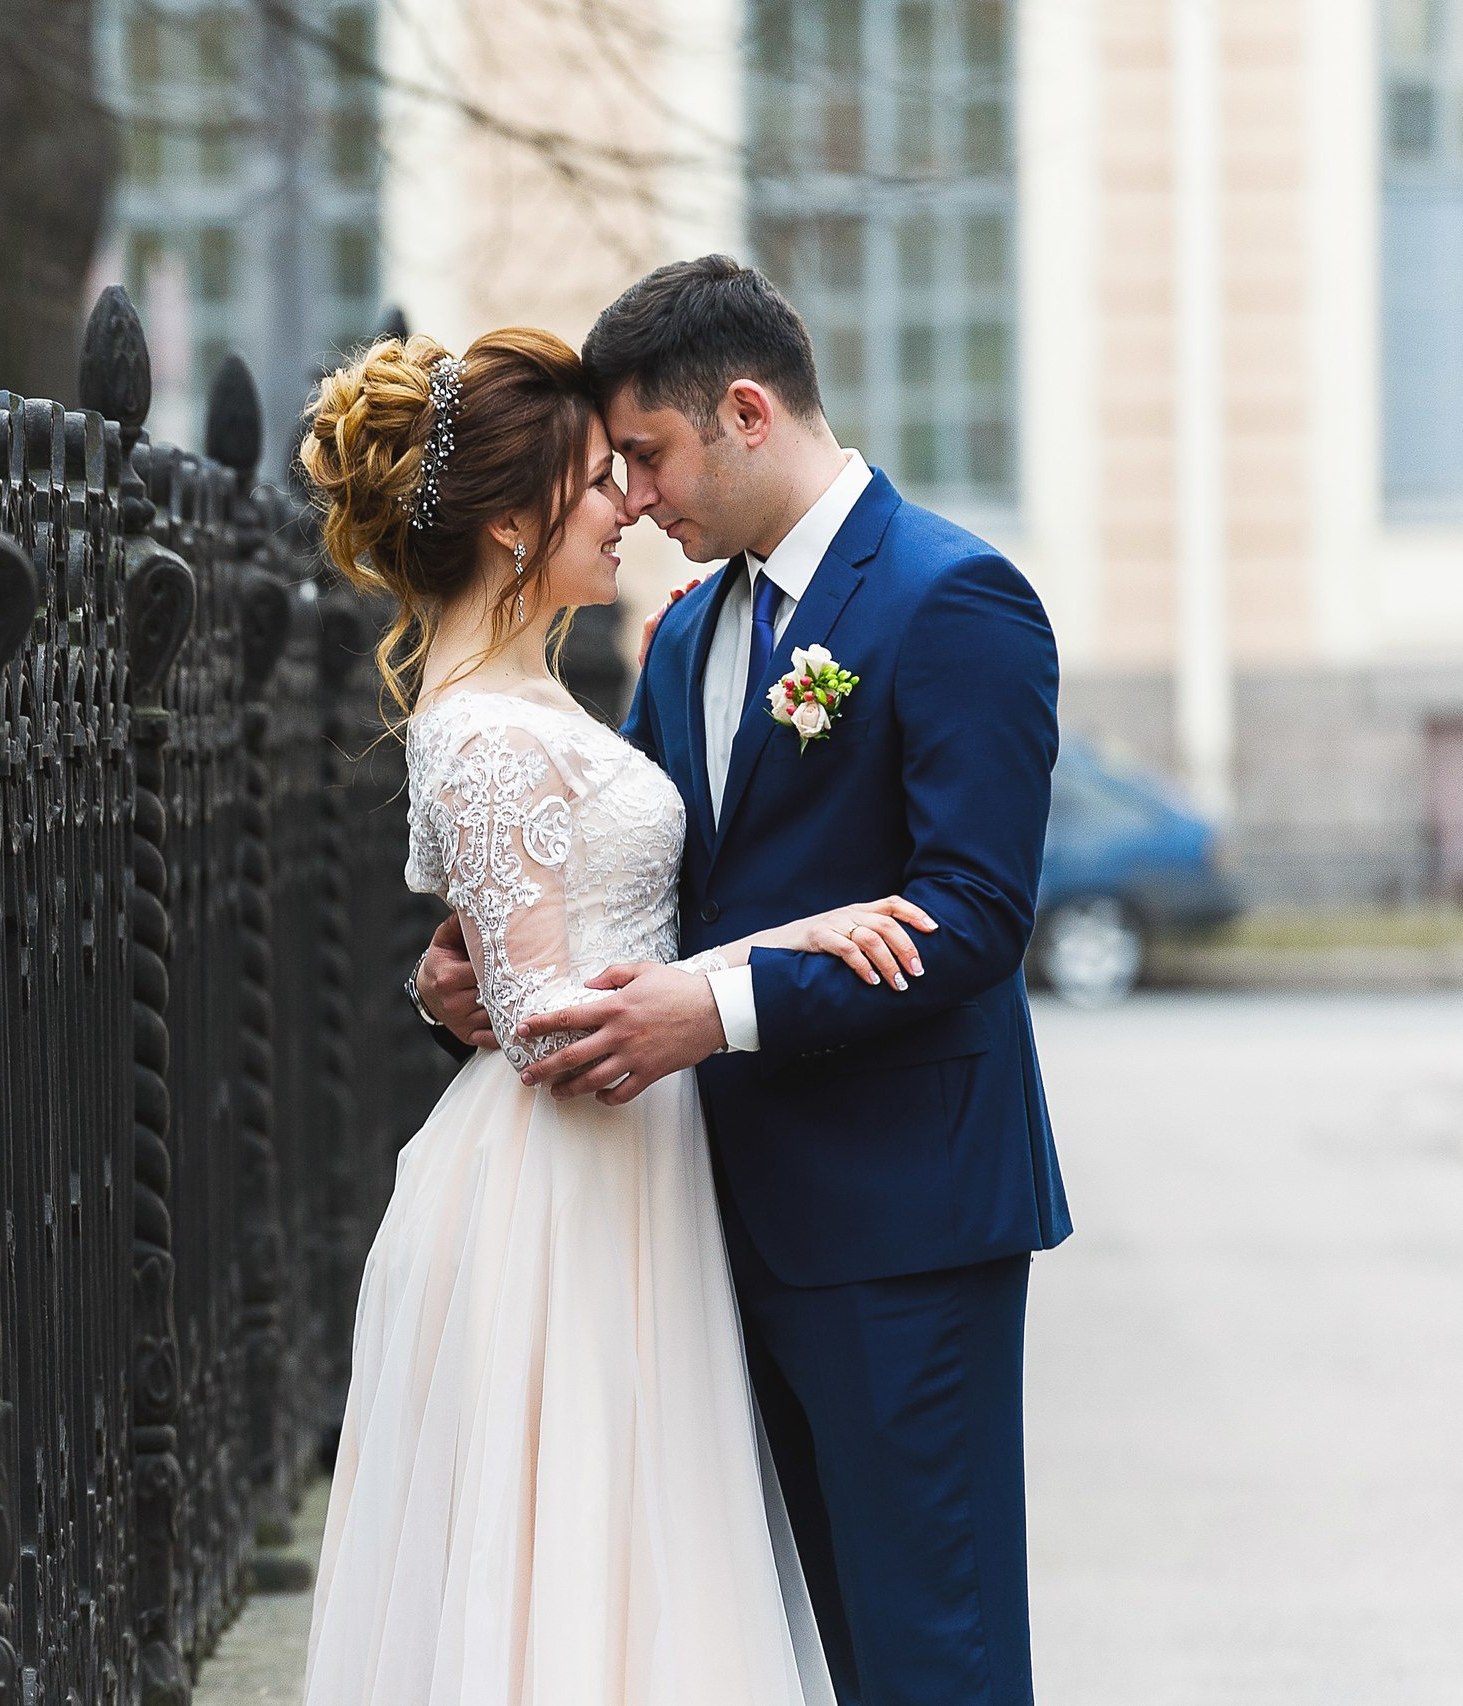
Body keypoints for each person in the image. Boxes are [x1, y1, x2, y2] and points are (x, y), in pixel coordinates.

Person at [410, 260, 1071, 1706]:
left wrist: (713, 1009)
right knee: (804, 1649)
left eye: (647, 454)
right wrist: (482, 981)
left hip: (901, 1223)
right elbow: (649, 891)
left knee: (937, 1656)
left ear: (750, 412)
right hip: (706, 1224)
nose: (634, 497)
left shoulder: (954, 598)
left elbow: (974, 913)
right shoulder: (692, 633)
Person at [298, 321, 944, 1705]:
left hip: (637, 1168)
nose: (628, 505)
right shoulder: (482, 729)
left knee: (637, 1558)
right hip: (563, 1197)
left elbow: (558, 936)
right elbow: (546, 1023)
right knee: (572, 1554)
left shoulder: (543, 695)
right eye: (600, 480)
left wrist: (460, 973)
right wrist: (794, 940)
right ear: (512, 520)